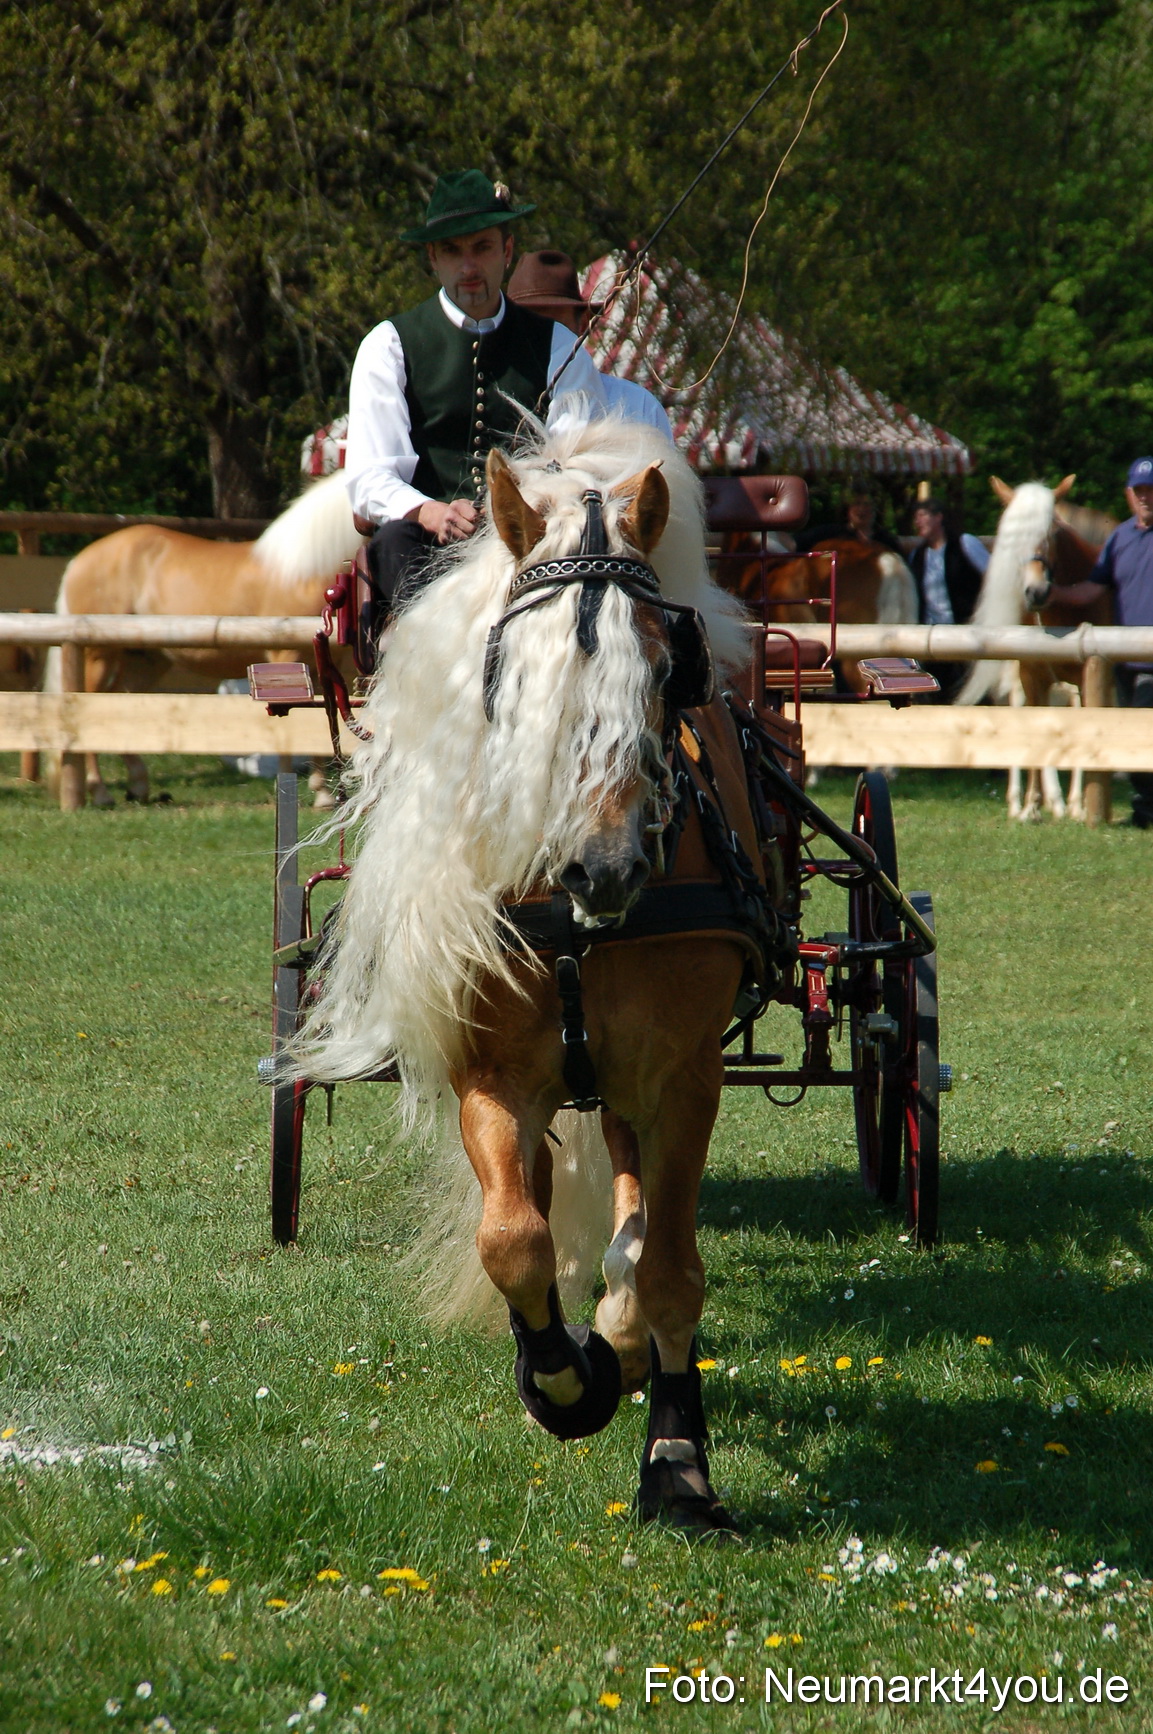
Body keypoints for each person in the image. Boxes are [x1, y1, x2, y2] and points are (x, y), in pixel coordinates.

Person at [344, 171, 615, 615]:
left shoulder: (559, 348)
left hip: (531, 546)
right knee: (394, 540)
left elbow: (578, 462)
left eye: (482, 248)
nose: (468, 267)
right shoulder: (388, 346)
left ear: (507, 251)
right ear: (432, 257)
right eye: (452, 250)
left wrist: (521, 509)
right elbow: (370, 478)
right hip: (423, 548)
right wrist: (430, 512)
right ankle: (405, 659)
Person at [1036, 457, 1153, 828]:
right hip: (1126, 658)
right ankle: (1144, 809)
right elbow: (1091, 589)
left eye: (1151, 490)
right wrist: (1053, 594)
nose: (1146, 497)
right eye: (1140, 491)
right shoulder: (1120, 537)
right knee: (1133, 737)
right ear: (1129, 495)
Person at [507, 250, 673, 439]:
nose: (544, 339)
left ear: (583, 324)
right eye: (530, 325)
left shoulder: (639, 408)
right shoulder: (484, 405)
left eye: (556, 327)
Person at [796, 487, 902, 555]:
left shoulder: (886, 540)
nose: (861, 509)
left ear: (876, 509)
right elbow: (797, 544)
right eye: (856, 503)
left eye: (867, 504)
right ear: (847, 508)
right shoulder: (830, 534)